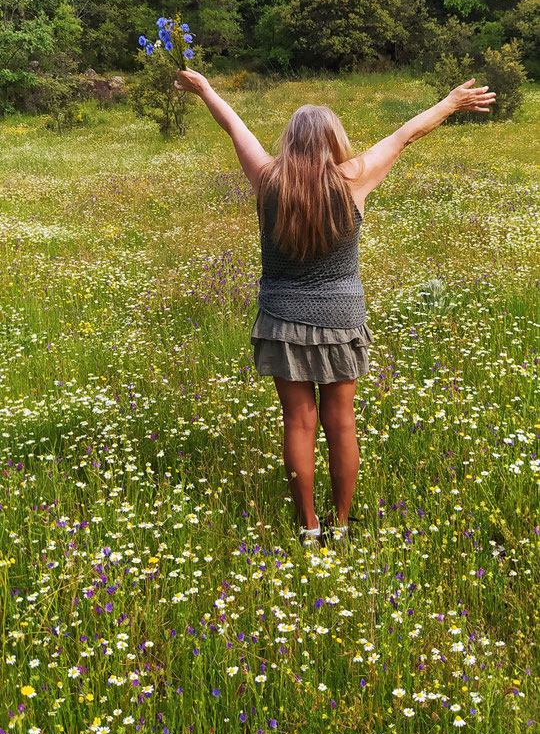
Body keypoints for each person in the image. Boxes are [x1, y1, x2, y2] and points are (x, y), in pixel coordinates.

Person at [175, 70, 496, 545]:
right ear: (334, 140)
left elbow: (233, 126)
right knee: (341, 425)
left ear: (290, 140)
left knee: (298, 424)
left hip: (281, 319)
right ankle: (341, 526)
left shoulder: (267, 180)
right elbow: (404, 134)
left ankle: (308, 526)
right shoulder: (355, 178)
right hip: (342, 320)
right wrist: (449, 103)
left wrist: (206, 91)